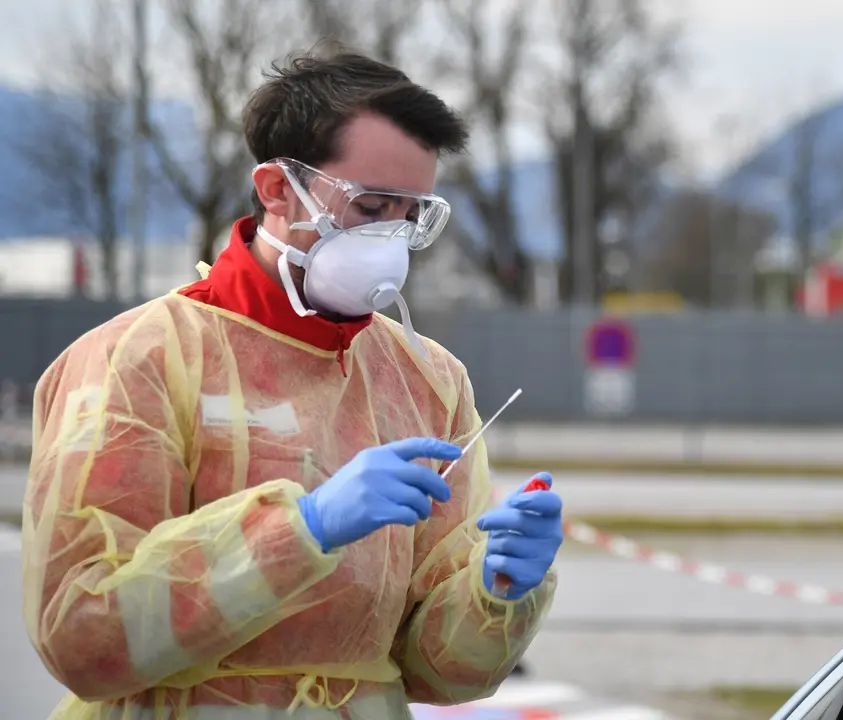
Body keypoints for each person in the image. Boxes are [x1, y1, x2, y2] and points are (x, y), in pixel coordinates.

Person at [22, 50, 563, 720]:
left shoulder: (427, 380)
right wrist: (301, 529)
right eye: (369, 206)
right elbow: (82, 634)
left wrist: (498, 587)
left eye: (409, 213)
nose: (389, 235)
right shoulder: (141, 359)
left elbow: (436, 675)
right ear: (277, 190)